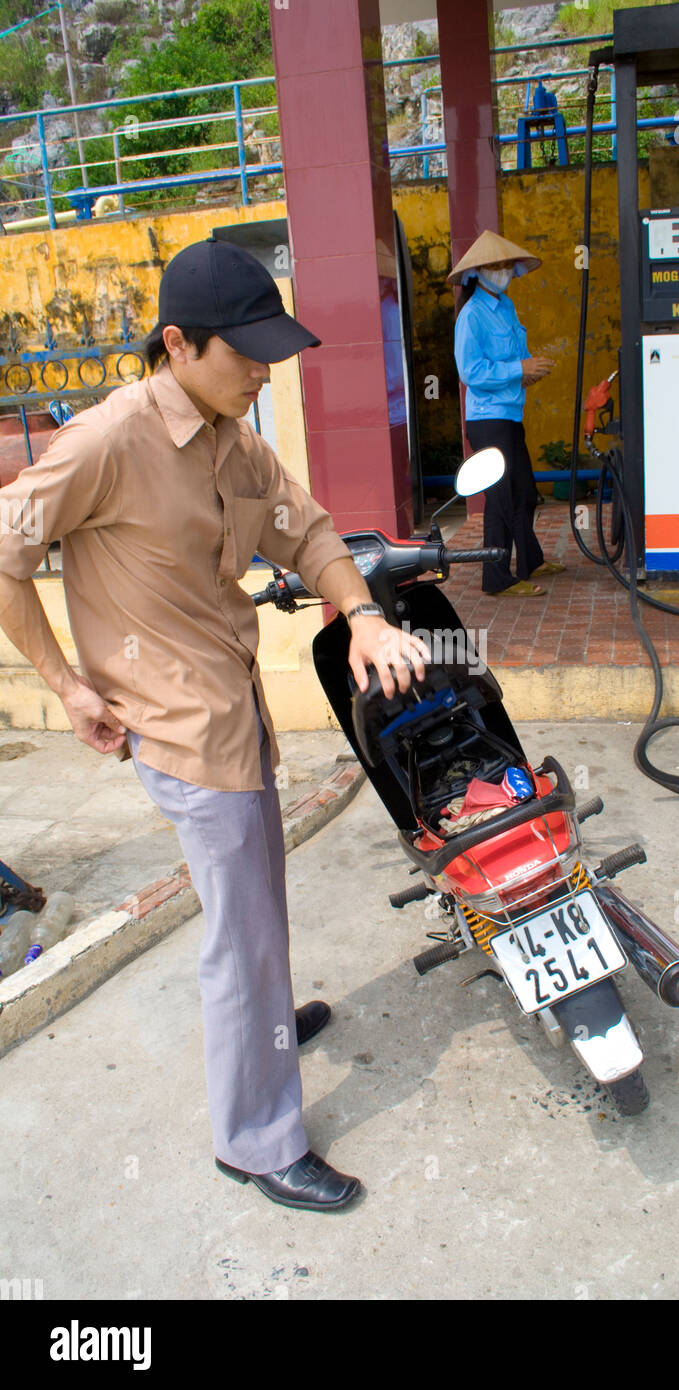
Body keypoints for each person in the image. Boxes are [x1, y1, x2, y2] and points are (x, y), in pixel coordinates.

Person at [0, 237, 429, 1213]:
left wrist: (358, 613)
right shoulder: (107, 442)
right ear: (178, 345)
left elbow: (309, 529)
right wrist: (67, 686)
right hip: (181, 731)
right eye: (245, 353)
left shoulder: (236, 438)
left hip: (236, 715)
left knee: (257, 900)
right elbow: (5, 556)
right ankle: (257, 1138)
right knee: (238, 932)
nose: (263, 370)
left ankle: (265, 1029)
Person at [450, 229, 564, 597]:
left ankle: (531, 561)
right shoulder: (471, 316)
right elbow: (471, 372)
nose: (503, 270)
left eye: (505, 264)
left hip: (509, 416)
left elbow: (516, 361)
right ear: (478, 272)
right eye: (495, 265)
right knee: (500, 499)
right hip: (487, 420)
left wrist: (527, 374)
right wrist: (519, 370)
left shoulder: (507, 307)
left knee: (525, 492)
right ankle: (496, 579)